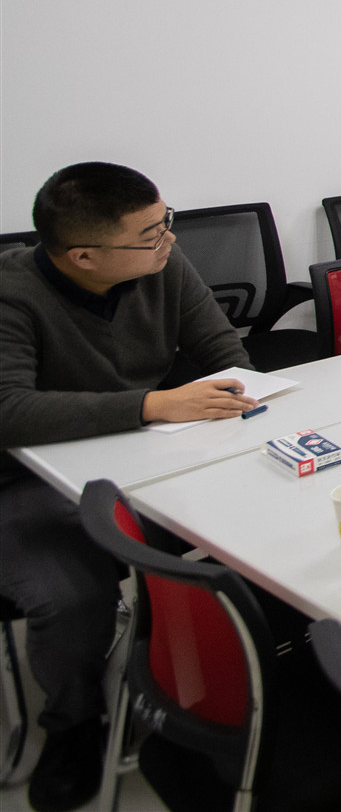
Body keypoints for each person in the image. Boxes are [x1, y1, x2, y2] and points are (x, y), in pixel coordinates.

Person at [0, 164, 259, 811]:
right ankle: (73, 722)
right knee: (70, 599)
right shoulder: (12, 292)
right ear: (84, 255)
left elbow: (226, 353)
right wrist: (150, 405)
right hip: (28, 477)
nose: (168, 238)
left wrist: (239, 397)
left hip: (148, 451)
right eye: (150, 233)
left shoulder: (161, 262)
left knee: (252, 540)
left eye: (165, 221)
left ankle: (217, 686)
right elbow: (10, 410)